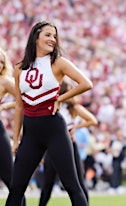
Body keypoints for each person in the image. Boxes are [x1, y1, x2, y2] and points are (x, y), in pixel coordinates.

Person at [6, 20, 92, 206]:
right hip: (30, 133)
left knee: (72, 185)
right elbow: (19, 106)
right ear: (36, 36)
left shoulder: (58, 62)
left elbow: (86, 83)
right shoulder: (20, 68)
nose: (52, 39)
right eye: (48, 35)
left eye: (54, 36)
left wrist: (59, 99)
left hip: (54, 129)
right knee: (16, 188)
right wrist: (15, 140)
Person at [39, 80, 97, 206]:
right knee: (48, 184)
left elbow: (93, 120)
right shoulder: (53, 107)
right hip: (54, 147)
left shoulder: (73, 108)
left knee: (78, 182)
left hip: (68, 146)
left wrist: (76, 127)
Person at [0, 47, 26, 206]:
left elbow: (25, 97)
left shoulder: (4, 81)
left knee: (10, 177)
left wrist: (4, 106)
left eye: (2, 62)